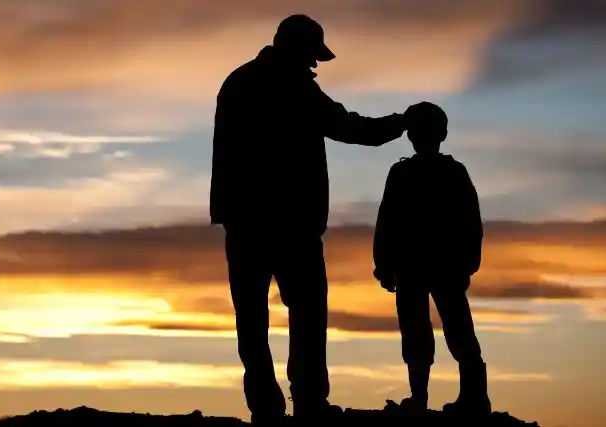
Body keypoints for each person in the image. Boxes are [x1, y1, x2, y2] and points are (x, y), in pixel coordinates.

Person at [210, 14, 417, 425]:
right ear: (296, 50)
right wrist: (401, 123)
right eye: (312, 56)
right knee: (305, 314)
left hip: (245, 222)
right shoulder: (295, 88)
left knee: (251, 320)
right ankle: (308, 403)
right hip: (292, 224)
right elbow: (350, 127)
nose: (315, 65)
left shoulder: (237, 82)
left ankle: (267, 409)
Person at [372, 102, 491, 417]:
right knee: (437, 331)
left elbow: (387, 222)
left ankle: (455, 398)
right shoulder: (434, 172)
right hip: (423, 268)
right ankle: (439, 399)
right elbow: (388, 222)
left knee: (445, 330)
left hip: (433, 267)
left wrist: (384, 263)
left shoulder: (416, 173)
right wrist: (385, 264)